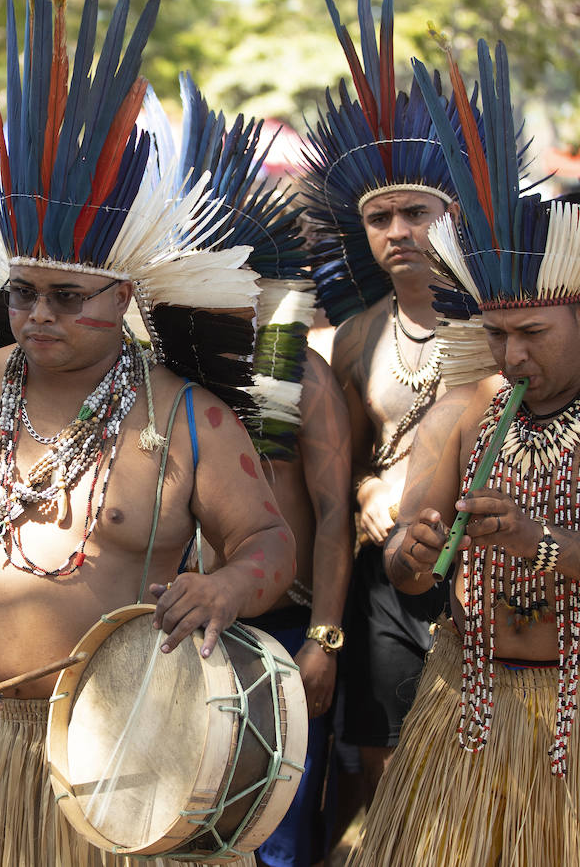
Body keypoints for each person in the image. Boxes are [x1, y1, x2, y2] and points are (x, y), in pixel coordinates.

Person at [0, 0, 292, 864]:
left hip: (126, 759)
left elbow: (269, 543)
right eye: (22, 293)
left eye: (66, 295)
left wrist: (224, 588)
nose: (39, 315)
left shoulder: (188, 418)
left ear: (123, 294)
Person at [348, 42, 580, 867]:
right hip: (465, 706)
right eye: (496, 334)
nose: (510, 357)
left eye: (532, 333)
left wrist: (542, 543)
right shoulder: (459, 413)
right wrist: (411, 552)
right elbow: (407, 573)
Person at [298, 0, 466, 805]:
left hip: (483, 567)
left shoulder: (501, 322)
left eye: (415, 213)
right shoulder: (358, 337)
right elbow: (346, 464)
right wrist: (370, 487)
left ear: (452, 215)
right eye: (379, 217)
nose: (398, 231)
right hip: (382, 579)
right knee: (385, 775)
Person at [176, 74, 352, 867]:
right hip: (177, 630)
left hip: (281, 631)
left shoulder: (300, 374)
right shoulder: (156, 379)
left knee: (276, 835)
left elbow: (335, 515)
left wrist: (323, 641)